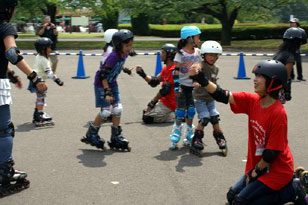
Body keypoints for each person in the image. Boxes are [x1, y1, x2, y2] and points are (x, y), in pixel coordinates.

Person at [189, 60, 306, 204]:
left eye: (260, 76)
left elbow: (271, 153)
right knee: (232, 197)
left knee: (240, 202)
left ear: (272, 82)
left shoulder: (278, 112)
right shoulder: (253, 101)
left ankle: (292, 190)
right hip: (259, 164)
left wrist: (255, 172)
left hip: (277, 171)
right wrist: (200, 78)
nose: (255, 79)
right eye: (255, 75)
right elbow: (222, 95)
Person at [0, 0, 47, 196]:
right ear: (8, 9)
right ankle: (4, 174)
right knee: (4, 130)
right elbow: (11, 53)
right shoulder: (4, 26)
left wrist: (11, 75)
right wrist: (34, 77)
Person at [81, 29, 134, 151]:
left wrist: (125, 70)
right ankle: (92, 133)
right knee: (105, 112)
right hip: (101, 84)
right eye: (127, 45)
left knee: (117, 109)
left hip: (112, 83)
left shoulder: (123, 53)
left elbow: (119, 65)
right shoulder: (113, 56)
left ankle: (115, 136)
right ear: (119, 45)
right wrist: (107, 91)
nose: (129, 48)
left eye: (131, 44)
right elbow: (103, 74)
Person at [190, 41, 227, 156]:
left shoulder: (216, 69)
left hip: (210, 99)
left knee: (215, 117)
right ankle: (196, 139)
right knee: (205, 118)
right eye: (210, 55)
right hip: (200, 98)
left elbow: (214, 82)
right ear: (204, 55)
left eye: (215, 55)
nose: (212, 58)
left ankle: (220, 137)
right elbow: (195, 69)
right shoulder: (201, 65)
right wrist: (195, 75)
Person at [169, 25, 202, 150]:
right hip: (182, 86)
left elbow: (199, 68)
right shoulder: (180, 53)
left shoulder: (197, 53)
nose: (199, 39)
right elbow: (175, 71)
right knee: (180, 111)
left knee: (191, 111)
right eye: (197, 37)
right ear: (190, 38)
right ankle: (176, 133)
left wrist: (198, 80)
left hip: (193, 87)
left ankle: (189, 133)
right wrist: (177, 86)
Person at [136, 43, 177, 124]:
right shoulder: (166, 68)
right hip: (165, 101)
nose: (161, 54)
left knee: (147, 118)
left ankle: (174, 116)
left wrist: (152, 103)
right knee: (146, 113)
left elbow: (165, 90)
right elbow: (154, 82)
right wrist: (142, 74)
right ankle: (174, 114)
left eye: (163, 52)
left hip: (171, 104)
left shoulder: (173, 70)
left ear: (169, 55)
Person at [28, 37, 64, 127]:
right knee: (41, 98)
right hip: (40, 82)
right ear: (43, 49)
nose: (50, 49)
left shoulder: (38, 56)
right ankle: (40, 116)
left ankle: (37, 113)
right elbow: (49, 72)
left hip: (34, 80)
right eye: (48, 47)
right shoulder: (44, 60)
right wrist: (57, 80)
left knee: (39, 97)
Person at [273, 27, 307, 101]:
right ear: (296, 42)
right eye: (300, 43)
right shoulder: (290, 57)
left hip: (268, 85)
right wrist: (287, 92)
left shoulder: (278, 53)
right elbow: (286, 77)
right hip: (277, 88)